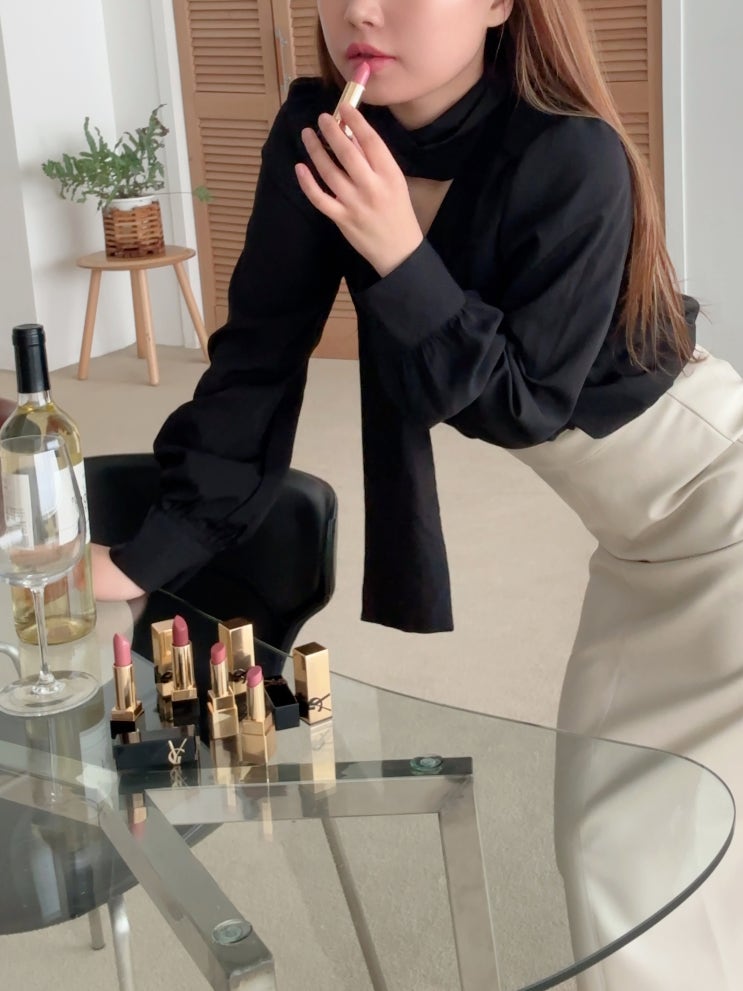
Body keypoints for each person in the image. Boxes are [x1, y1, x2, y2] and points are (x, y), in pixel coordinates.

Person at [92, 1, 743, 987]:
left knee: (636, 852)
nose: (362, 9)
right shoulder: (320, 135)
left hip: (720, 506)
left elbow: (524, 405)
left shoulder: (572, 157)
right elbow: (255, 361)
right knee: (604, 839)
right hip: (634, 543)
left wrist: (399, 250)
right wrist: (144, 558)